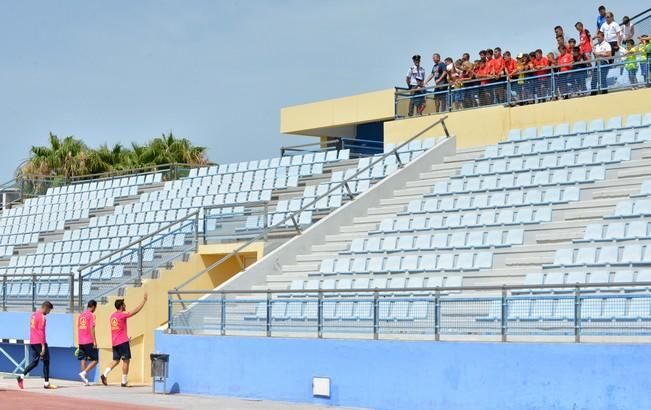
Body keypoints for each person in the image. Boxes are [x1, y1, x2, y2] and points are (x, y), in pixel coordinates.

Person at [101, 293, 147, 387]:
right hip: (122, 341)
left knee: (116, 360)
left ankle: (104, 374)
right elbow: (134, 311)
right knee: (126, 360)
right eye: (124, 305)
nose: (126, 306)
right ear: (121, 306)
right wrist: (143, 301)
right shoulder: (122, 315)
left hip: (114, 342)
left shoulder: (112, 316)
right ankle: (123, 381)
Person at [17, 301, 56, 389]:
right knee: (46, 362)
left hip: (33, 342)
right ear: (46, 308)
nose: (49, 313)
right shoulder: (42, 317)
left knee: (35, 362)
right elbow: (41, 331)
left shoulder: (33, 315)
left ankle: (21, 376)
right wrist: (43, 346)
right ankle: (46, 383)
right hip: (40, 342)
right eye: (49, 310)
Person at [77, 299, 98, 386]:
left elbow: (79, 327)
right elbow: (91, 329)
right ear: (93, 307)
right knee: (95, 360)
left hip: (81, 341)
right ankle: (84, 373)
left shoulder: (81, 315)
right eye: (95, 307)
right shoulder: (91, 315)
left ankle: (85, 381)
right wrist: (94, 341)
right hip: (88, 340)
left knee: (83, 359)